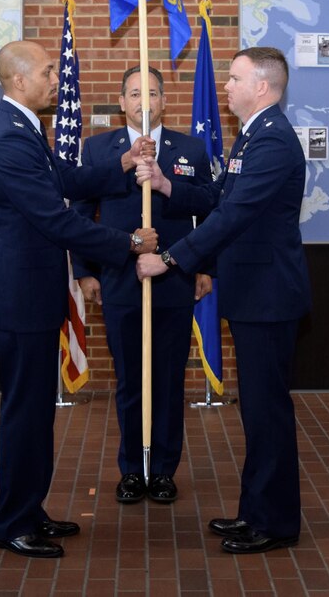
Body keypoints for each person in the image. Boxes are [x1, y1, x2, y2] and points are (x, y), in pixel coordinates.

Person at [0, 40, 157, 559]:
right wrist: (127, 243)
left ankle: (29, 510)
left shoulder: (26, 127)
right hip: (18, 298)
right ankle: (10, 521)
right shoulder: (8, 140)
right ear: (18, 81)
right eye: (48, 71)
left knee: (35, 413)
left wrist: (121, 161)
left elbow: (66, 180)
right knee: (24, 414)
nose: (57, 78)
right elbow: (55, 218)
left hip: (31, 293)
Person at [136, 47, 311, 554]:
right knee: (255, 409)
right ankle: (255, 510)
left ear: (263, 86)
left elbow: (233, 219)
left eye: (233, 79)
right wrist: (169, 185)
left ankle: (274, 523)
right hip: (255, 294)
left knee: (266, 411)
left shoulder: (273, 141)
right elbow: (219, 199)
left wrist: (168, 259)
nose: (226, 87)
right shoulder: (252, 136)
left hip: (269, 296)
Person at [71, 65, 212, 504]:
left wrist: (204, 266)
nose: (142, 101)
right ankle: (133, 468)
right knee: (131, 379)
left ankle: (165, 468)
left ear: (164, 100)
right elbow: (79, 215)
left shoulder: (189, 148)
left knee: (169, 380)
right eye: (134, 93)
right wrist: (85, 271)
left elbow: (210, 210)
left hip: (175, 278)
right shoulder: (98, 150)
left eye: (151, 92)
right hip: (119, 280)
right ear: (121, 102)